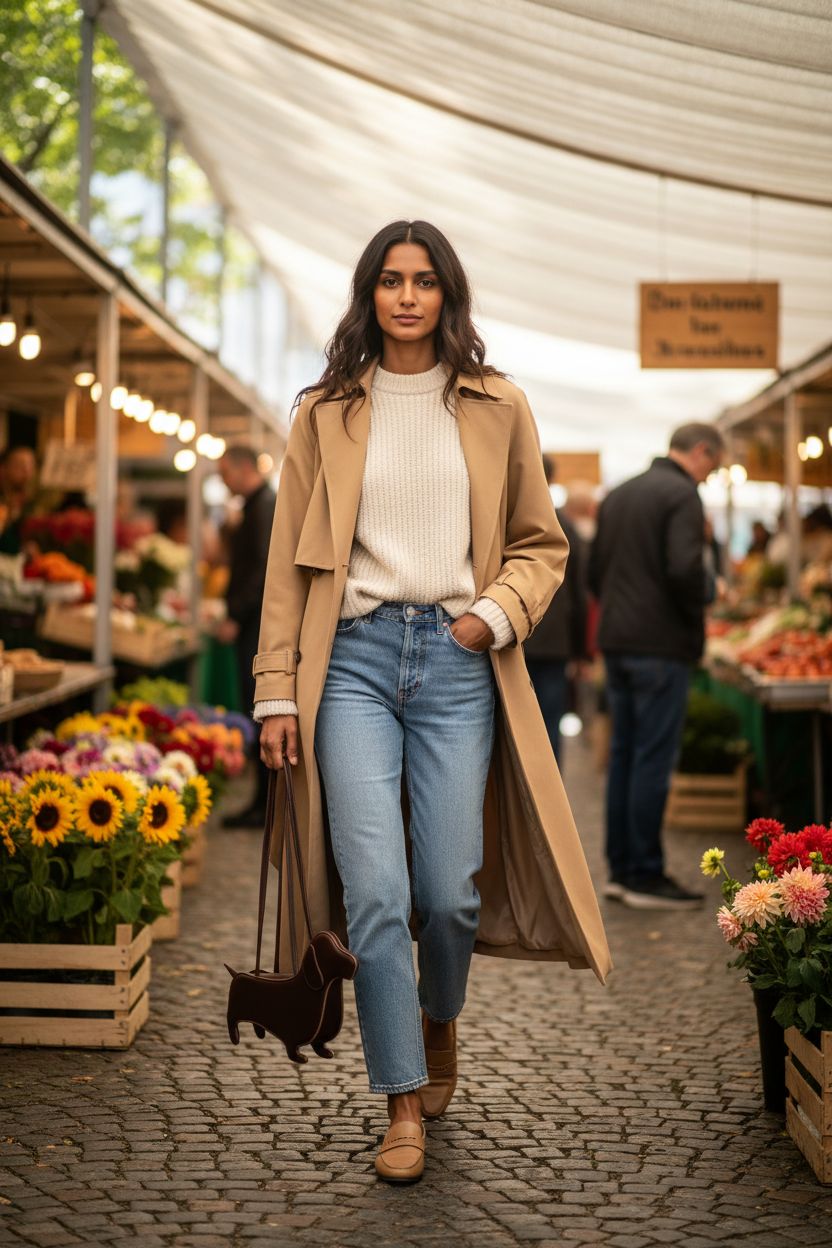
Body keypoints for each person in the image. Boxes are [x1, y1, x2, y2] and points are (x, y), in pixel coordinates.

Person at [252, 220, 611, 1183]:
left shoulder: (499, 405)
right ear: (368, 294)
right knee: (375, 893)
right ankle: (401, 1101)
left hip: (458, 664)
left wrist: (491, 616)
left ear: (448, 295)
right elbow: (288, 562)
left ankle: (437, 1021)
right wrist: (275, 692)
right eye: (389, 281)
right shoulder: (324, 412)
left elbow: (542, 545)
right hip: (355, 664)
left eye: (424, 282)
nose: (407, 297)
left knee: (448, 894)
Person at [588, 423, 724, 910]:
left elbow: (594, 572)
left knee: (624, 757)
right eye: (714, 466)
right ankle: (644, 873)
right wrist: (707, 597)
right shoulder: (682, 495)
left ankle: (621, 870)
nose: (710, 477)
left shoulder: (620, 494)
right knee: (651, 760)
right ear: (703, 451)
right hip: (661, 646)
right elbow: (685, 570)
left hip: (619, 642)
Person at [217, 445, 276, 827]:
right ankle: (260, 804)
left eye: (224, 472)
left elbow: (263, 570)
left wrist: (236, 613)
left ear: (241, 469)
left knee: (258, 712)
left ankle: (263, 807)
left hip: (256, 626)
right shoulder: (257, 504)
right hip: (253, 622)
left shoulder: (263, 506)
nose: (222, 481)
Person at [523, 461, 588, 765]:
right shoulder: (563, 524)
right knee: (549, 723)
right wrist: (579, 650)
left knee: (512, 722)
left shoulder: (508, 515)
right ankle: (547, 799)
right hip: (553, 641)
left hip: (512, 637)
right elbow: (578, 593)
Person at [0, 445, 37, 554]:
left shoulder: (33, 502)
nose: (26, 471)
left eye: (30, 465)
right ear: (3, 468)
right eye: (19, 465)